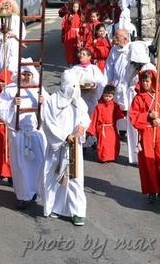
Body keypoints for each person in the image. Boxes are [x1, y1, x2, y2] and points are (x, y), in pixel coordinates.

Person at [0, 59, 48, 209]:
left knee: (39, 164)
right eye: (23, 74)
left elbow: (50, 111)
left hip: (36, 133)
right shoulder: (10, 90)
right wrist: (12, 104)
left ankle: (37, 191)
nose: (26, 77)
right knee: (21, 166)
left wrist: (44, 103)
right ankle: (23, 196)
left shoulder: (38, 89)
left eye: (28, 74)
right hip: (18, 134)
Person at [41, 69, 91, 226]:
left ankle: (78, 211)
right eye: (72, 86)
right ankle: (55, 206)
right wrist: (64, 136)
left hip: (74, 146)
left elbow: (85, 117)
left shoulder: (78, 101)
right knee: (55, 176)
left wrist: (82, 127)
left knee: (75, 178)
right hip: (58, 146)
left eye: (76, 86)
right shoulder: (52, 101)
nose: (74, 90)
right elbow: (48, 122)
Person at [129, 69, 160, 204]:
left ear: (152, 81)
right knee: (148, 163)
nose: (145, 83)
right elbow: (133, 117)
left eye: (147, 81)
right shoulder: (138, 98)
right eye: (143, 81)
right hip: (146, 133)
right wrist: (148, 116)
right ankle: (151, 191)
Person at [87, 85, 124, 162]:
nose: (107, 98)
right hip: (102, 128)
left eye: (110, 96)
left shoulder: (115, 105)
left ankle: (112, 156)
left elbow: (119, 115)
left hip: (111, 128)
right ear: (103, 94)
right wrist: (92, 130)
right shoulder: (99, 106)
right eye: (106, 96)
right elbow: (94, 118)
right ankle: (103, 157)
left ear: (113, 96)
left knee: (113, 143)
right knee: (103, 144)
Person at [0, 0, 25, 80]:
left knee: (12, 62)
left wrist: (15, 34)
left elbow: (21, 31)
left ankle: (11, 80)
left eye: (10, 6)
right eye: (6, 5)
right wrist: (0, 38)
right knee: (0, 61)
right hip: (2, 42)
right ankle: (1, 79)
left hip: (13, 42)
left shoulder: (16, 18)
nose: (8, 7)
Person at [71, 48, 107, 116]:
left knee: (91, 116)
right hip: (79, 98)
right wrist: (78, 86)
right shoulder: (75, 68)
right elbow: (70, 82)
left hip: (92, 98)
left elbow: (101, 82)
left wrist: (95, 86)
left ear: (89, 57)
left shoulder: (94, 68)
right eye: (80, 54)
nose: (81, 55)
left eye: (83, 54)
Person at [61, 0, 83, 65]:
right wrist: (69, 21)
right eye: (74, 7)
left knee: (78, 50)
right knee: (70, 50)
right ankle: (71, 63)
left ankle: (78, 64)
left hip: (78, 34)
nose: (75, 8)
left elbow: (83, 25)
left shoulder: (81, 15)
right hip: (70, 33)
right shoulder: (68, 15)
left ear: (79, 8)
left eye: (76, 7)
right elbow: (64, 26)